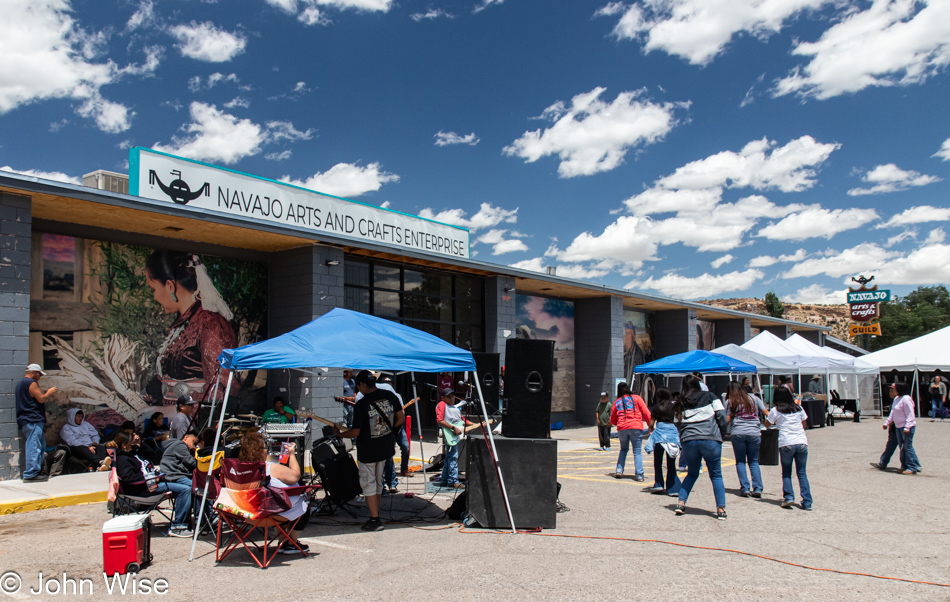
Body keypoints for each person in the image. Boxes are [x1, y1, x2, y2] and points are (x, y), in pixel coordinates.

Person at [144, 250, 238, 409]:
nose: (154, 297)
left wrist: (178, 411)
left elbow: (220, 390)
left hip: (191, 421)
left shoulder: (210, 323)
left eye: (153, 289)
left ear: (169, 286)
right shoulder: (182, 324)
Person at [333, 370, 404, 532]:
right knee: (378, 482)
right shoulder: (390, 396)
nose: (358, 391)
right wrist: (390, 433)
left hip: (368, 450)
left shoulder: (362, 404)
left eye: (358, 387)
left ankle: (374, 519)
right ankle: (376, 514)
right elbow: (400, 419)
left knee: (368, 483)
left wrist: (340, 434)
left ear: (363, 384)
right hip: (385, 447)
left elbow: (356, 432)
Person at [238, 430, 310, 554]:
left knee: (271, 499)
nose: (267, 450)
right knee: (303, 500)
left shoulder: (239, 468)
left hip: (246, 512)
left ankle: (282, 540)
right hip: (269, 513)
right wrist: (292, 454)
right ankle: (291, 542)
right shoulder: (270, 467)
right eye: (265, 447)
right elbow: (295, 476)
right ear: (259, 450)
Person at [113, 431, 194, 537]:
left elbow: (151, 454)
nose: (135, 443)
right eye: (132, 442)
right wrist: (151, 479)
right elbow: (129, 478)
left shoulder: (135, 453)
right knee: (184, 490)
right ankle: (178, 527)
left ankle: (193, 521)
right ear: (124, 445)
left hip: (152, 482)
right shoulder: (123, 458)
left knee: (191, 486)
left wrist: (140, 443)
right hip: (143, 488)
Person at [673, 376, 728, 519]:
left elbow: (676, 422)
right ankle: (720, 509)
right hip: (710, 439)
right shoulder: (710, 396)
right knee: (716, 474)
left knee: (691, 473)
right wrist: (722, 433)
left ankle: (681, 503)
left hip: (689, 441)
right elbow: (721, 415)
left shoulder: (680, 402)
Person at [766, 387, 812, 510]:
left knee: (787, 472)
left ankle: (789, 497)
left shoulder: (775, 410)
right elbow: (804, 424)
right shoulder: (798, 408)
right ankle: (807, 501)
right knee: (802, 473)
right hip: (801, 442)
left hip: (786, 442)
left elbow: (767, 424)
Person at [16, 364, 57, 482]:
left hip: (28, 420)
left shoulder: (20, 384)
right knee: (34, 446)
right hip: (32, 420)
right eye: (39, 374)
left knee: (38, 445)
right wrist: (49, 392)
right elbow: (41, 398)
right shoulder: (30, 383)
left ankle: (36, 471)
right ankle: (30, 474)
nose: (39, 377)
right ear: (33, 372)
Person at [726, 383, 765, 498]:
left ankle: (745, 488)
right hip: (754, 432)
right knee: (753, 461)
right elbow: (765, 412)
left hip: (738, 431)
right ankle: (757, 488)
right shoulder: (754, 398)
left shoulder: (731, 401)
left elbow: (727, 418)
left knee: (740, 461)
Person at [610, 382, 651, 481]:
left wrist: (617, 422)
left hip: (622, 428)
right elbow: (646, 412)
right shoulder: (636, 398)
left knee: (623, 449)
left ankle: (619, 470)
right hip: (636, 426)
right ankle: (639, 475)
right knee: (637, 451)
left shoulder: (617, 402)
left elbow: (612, 419)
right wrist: (650, 425)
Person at [644, 388, 680, 497]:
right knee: (671, 464)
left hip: (659, 436)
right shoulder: (674, 406)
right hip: (672, 436)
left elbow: (651, 422)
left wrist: (650, 429)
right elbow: (679, 419)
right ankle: (672, 488)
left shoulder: (656, 407)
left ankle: (659, 484)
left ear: (659, 396)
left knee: (658, 462)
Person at [378, 375, 410, 489]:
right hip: (384, 430)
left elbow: (401, 413)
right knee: (387, 457)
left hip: (397, 429)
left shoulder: (396, 396)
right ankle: (390, 483)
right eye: (386, 385)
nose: (389, 387)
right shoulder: (379, 398)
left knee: (405, 447)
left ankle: (403, 470)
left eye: (390, 384)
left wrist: (396, 429)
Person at [436, 387, 470, 488]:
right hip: (451, 433)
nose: (452, 398)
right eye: (449, 397)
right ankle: (453, 481)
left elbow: (462, 420)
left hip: (454, 432)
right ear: (443, 398)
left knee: (449, 457)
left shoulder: (453, 407)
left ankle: (445, 479)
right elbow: (440, 420)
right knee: (453, 457)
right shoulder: (442, 404)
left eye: (453, 396)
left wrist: (476, 424)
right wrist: (453, 428)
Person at [884, 382, 921, 474]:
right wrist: (887, 423)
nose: (892, 390)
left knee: (907, 447)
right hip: (898, 426)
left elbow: (910, 414)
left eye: (894, 388)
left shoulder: (906, 399)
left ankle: (912, 467)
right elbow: (893, 413)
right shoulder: (897, 399)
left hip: (906, 427)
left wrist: (907, 427)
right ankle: (904, 465)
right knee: (902, 447)